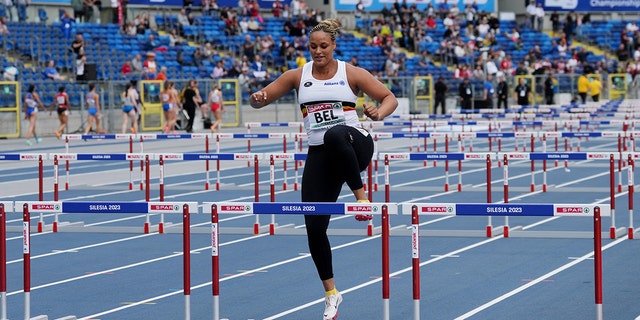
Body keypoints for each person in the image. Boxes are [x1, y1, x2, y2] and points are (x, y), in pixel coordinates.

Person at [249, 18, 398, 320]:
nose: (318, 52)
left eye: (323, 46)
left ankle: (362, 199)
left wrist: (378, 113)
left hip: (356, 145)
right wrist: (258, 99)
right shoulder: (297, 75)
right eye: (313, 47)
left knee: (335, 132)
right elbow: (261, 101)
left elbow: (389, 98)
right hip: (321, 155)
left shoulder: (350, 73)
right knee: (314, 227)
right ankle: (332, 294)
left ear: (333, 46)